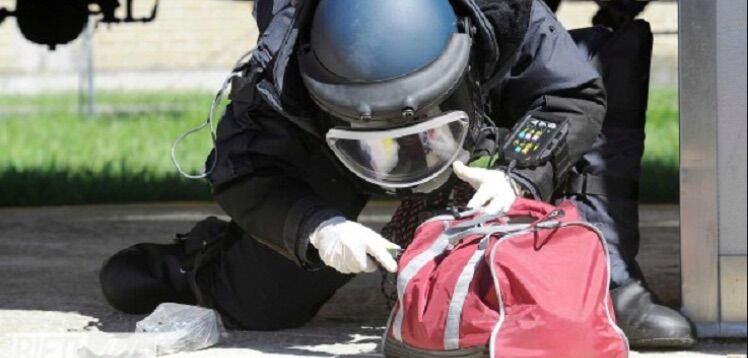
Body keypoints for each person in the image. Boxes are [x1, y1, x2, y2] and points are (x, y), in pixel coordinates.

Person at [99, 0, 694, 348]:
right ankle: (194, 265)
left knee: (596, 71)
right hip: (327, 145)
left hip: (481, 109)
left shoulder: (505, 14)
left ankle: (603, 279)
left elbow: (571, 97)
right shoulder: (278, 71)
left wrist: (519, 175)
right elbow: (244, 168)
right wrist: (315, 226)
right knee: (268, 304)